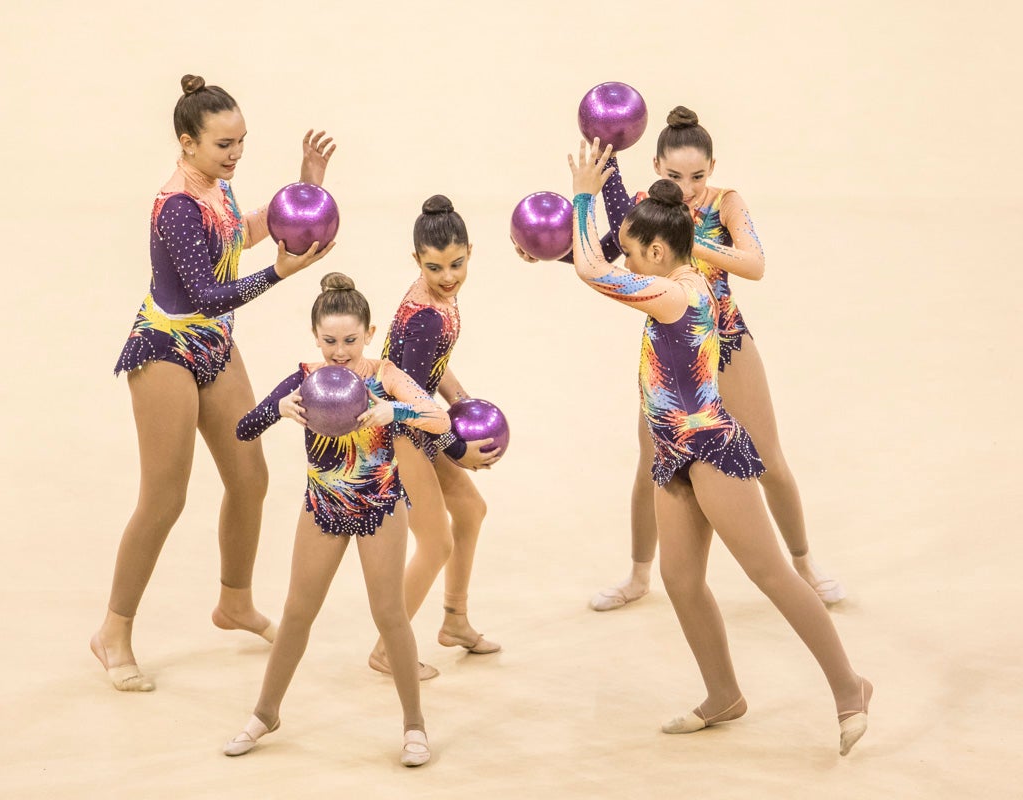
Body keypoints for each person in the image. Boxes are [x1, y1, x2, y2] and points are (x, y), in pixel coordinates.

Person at [566, 139, 870, 755]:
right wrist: (607, 179)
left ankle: (850, 686)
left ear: (657, 252)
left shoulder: (679, 293)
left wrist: (579, 195)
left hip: (710, 452)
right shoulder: (667, 273)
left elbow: (593, 271)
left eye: (632, 252)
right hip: (673, 452)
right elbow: (608, 257)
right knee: (680, 581)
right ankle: (724, 693)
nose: (624, 258)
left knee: (771, 574)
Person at [534, 107, 843, 611]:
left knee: (770, 461)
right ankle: (638, 576)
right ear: (656, 165)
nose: (689, 186)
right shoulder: (647, 208)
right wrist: (546, 248)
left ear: (713, 167)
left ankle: (804, 563)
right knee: (650, 466)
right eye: (675, 175)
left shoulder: (726, 204)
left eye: (698, 175)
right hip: (673, 359)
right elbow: (602, 255)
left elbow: (755, 265)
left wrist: (689, 238)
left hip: (727, 345)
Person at [90, 74, 336, 692]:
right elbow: (205, 293)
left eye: (242, 142)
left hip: (214, 344)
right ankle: (113, 631)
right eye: (223, 143)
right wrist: (280, 273)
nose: (235, 153)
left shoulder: (217, 189)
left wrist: (305, 190)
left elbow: (240, 231)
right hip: (167, 345)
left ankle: (234, 602)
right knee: (164, 498)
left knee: (251, 478)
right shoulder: (176, 204)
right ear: (187, 142)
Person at [224, 272, 446, 766]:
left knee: (390, 615)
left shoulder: (385, 374)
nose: (340, 351)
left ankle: (414, 725)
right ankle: (265, 712)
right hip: (323, 509)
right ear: (315, 337)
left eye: (350, 340)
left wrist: (395, 413)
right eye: (330, 341)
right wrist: (279, 408)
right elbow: (243, 428)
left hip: (379, 507)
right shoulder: (305, 376)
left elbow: (440, 419)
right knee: (298, 614)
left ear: (368, 333)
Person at [365, 195, 503, 681]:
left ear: (470, 250)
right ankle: (387, 647)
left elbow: (426, 376)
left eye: (457, 264)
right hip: (402, 431)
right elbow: (410, 398)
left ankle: (455, 620)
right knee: (435, 543)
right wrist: (457, 447)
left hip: (420, 422)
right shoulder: (425, 316)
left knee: (470, 508)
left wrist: (461, 397)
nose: (448, 276)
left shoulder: (437, 300)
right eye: (435, 267)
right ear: (416, 260)